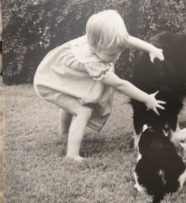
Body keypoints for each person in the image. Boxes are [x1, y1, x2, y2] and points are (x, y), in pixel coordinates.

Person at [34, 9, 165, 162]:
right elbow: (120, 85)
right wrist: (147, 99)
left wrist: (152, 48)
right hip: (50, 82)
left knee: (71, 102)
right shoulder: (92, 61)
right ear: (96, 46)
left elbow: (128, 40)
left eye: (119, 52)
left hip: (59, 77)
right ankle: (72, 155)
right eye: (111, 55)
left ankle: (64, 134)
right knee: (83, 110)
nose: (116, 58)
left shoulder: (101, 40)